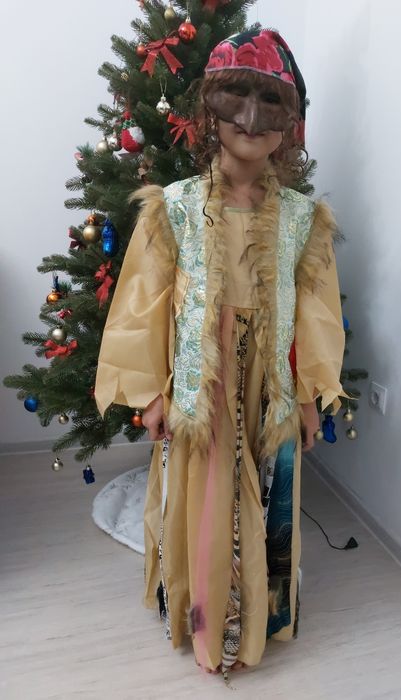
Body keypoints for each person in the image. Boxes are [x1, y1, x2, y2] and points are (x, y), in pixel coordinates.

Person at [94, 28, 346, 681]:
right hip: (201, 383)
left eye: (270, 103)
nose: (251, 120)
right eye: (236, 99)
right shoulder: (175, 208)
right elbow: (143, 304)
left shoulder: (302, 219)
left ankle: (258, 617)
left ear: (289, 123)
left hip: (270, 381)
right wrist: (151, 392)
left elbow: (317, 313)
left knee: (268, 495)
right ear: (211, 108)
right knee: (205, 499)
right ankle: (208, 622)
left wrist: (313, 395)